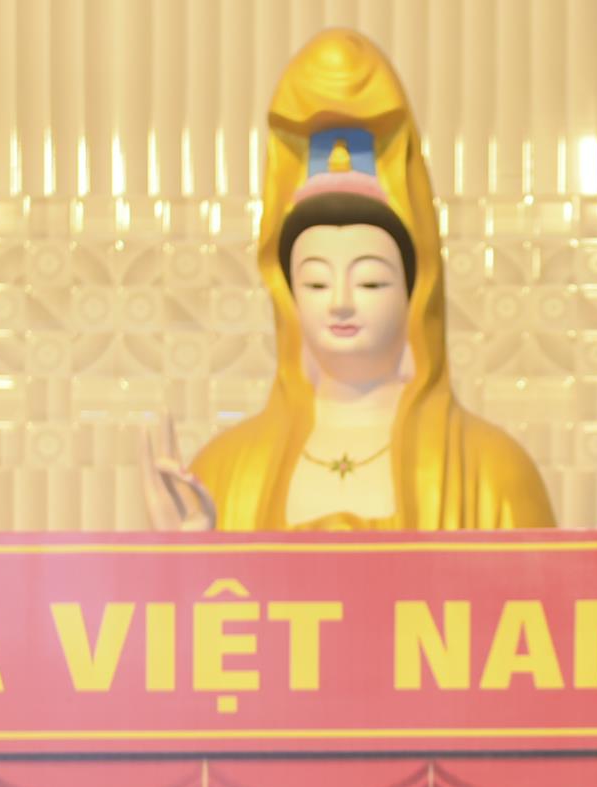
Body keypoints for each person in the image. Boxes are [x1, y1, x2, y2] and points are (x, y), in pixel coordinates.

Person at [146, 27, 554, 532]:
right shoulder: (226, 473)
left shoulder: (490, 471)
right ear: (288, 297)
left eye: (370, 283)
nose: (340, 302)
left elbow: (543, 585)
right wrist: (179, 561)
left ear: (415, 293)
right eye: (316, 284)